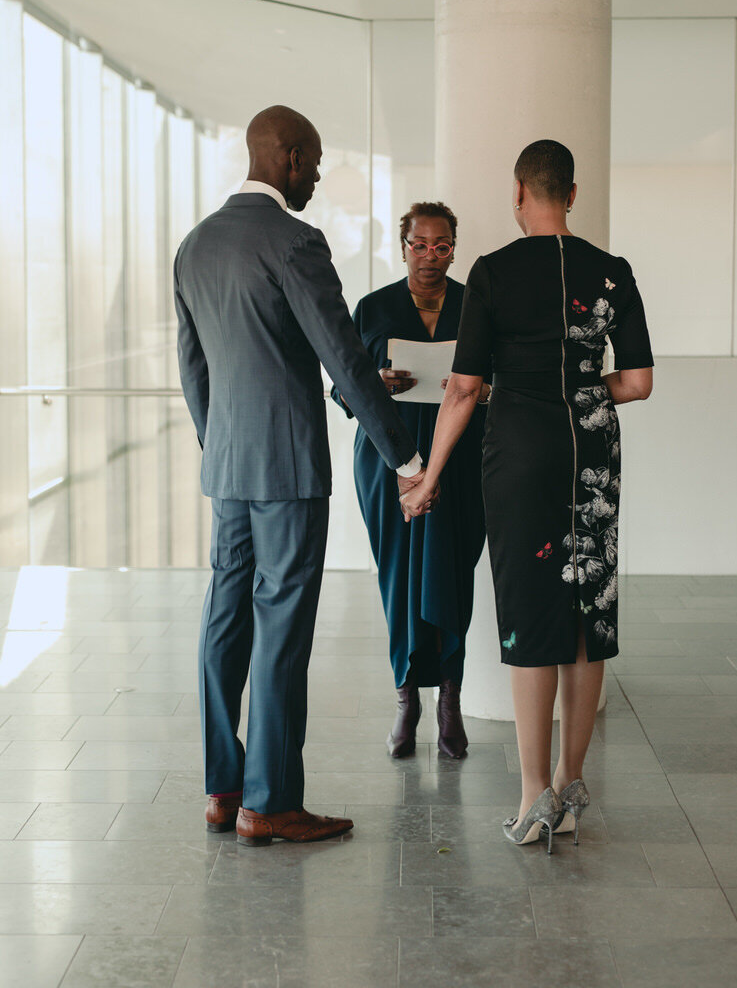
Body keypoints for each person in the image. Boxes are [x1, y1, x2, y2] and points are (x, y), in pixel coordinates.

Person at [174, 105, 433, 847]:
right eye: (314, 159)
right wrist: (407, 461)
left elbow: (193, 369)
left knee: (224, 619)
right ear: (286, 157)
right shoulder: (294, 242)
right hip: (287, 467)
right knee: (281, 628)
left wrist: (219, 443)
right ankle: (271, 801)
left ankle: (223, 789)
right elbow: (345, 359)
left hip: (229, 466)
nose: (319, 173)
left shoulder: (195, 246)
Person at [401, 140, 653, 851]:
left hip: (518, 452)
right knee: (587, 603)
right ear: (570, 194)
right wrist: (579, 394)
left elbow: (464, 387)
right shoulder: (612, 272)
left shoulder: (492, 273)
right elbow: (636, 382)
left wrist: (429, 475)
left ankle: (531, 794)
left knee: (529, 603)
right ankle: (573, 784)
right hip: (592, 450)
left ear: (520, 194)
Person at [332, 203, 488, 759]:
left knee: (453, 573)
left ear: (454, 247)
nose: (430, 256)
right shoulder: (373, 308)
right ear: (402, 247)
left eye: (441, 245)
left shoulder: (476, 305)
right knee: (397, 577)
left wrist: (481, 389)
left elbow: (507, 380)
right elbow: (341, 388)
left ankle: (450, 701)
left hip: (462, 458)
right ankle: (406, 701)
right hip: (388, 465)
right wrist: (374, 384)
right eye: (419, 245)